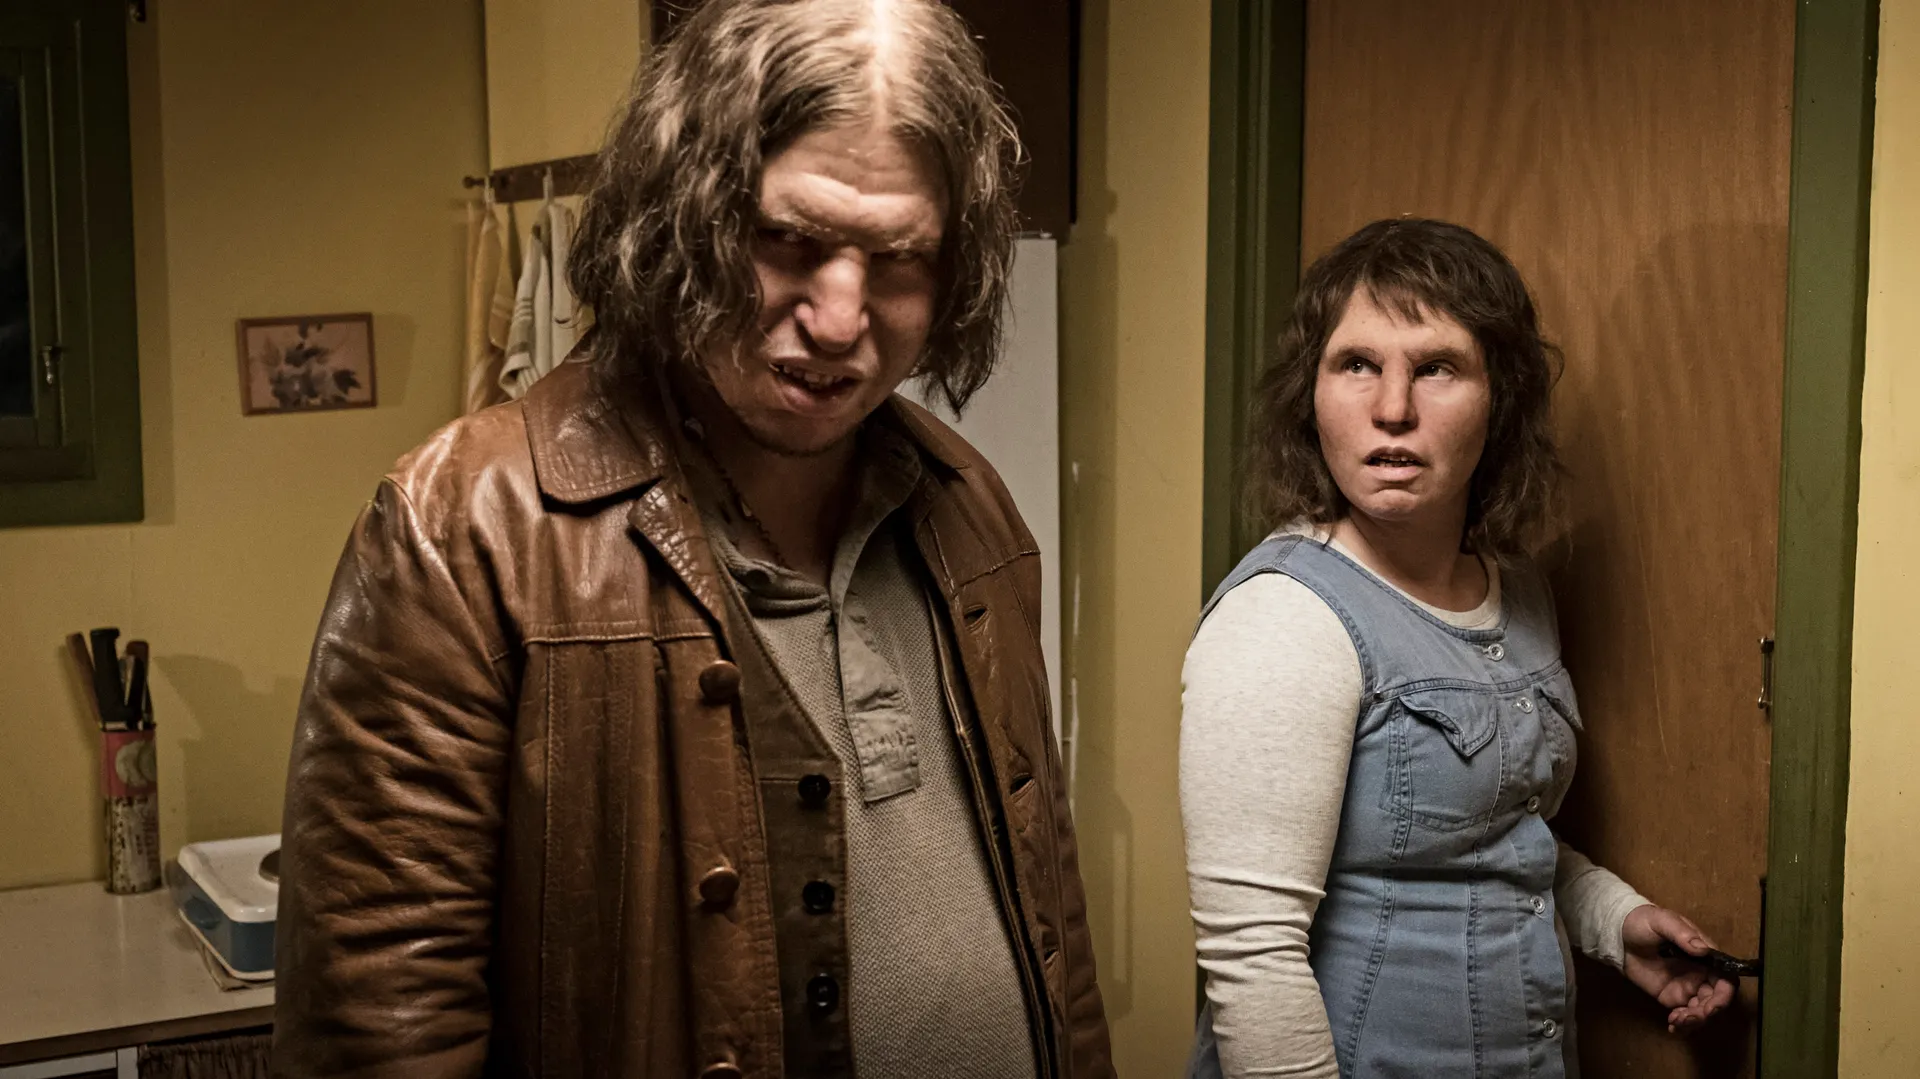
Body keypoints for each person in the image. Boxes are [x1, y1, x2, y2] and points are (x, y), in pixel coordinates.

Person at [272, 2, 1112, 1076]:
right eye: (787, 240)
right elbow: (380, 1034)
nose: (841, 317)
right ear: (684, 215)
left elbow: (1055, 929)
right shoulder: (466, 532)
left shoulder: (968, 502)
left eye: (898, 258)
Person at [1179, 218, 1736, 1078]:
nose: (1392, 408)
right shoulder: (1284, 617)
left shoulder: (1520, 591)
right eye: (1356, 364)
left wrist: (1612, 921)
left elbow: (1490, 838)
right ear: (1311, 395)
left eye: (1436, 367)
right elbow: (1254, 957)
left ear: (1498, 398)